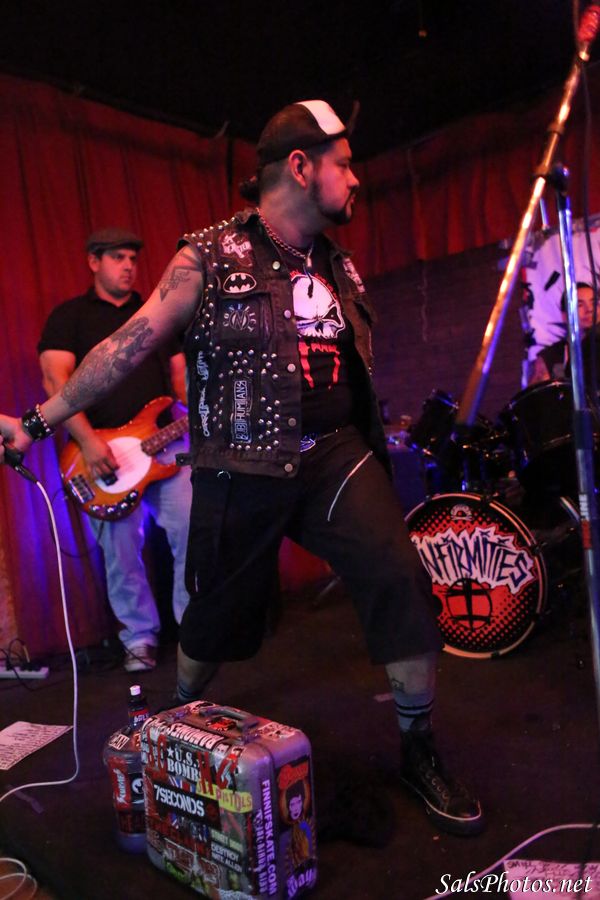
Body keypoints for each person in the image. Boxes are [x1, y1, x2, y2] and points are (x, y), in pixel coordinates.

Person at [0, 101, 482, 835]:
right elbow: (127, 345)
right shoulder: (208, 255)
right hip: (242, 464)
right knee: (212, 620)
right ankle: (171, 721)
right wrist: (38, 423)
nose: (356, 178)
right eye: (344, 164)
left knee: (397, 570)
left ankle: (419, 748)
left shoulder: (339, 264)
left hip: (334, 456)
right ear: (301, 166)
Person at [37, 228, 192, 672]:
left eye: (132, 259)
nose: (128, 266)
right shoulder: (69, 318)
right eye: (117, 257)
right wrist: (88, 441)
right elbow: (56, 382)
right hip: (99, 455)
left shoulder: (156, 313)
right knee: (121, 554)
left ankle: (193, 631)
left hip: (165, 445)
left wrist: (199, 410)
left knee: (192, 529)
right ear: (94, 262)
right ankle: (139, 637)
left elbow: (180, 379)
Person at [529, 282, 597, 384]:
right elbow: (536, 392)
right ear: (565, 316)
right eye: (579, 305)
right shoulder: (551, 357)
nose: (590, 309)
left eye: (594, 303)